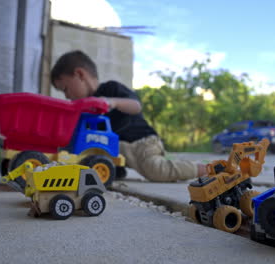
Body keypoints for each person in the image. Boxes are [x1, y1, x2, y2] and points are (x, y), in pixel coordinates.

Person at [50, 50, 206, 182]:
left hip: (142, 143)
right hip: (115, 149)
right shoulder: (84, 108)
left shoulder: (110, 89)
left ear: (80, 74)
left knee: (156, 171)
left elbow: (136, 106)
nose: (67, 96)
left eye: (65, 89)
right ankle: (116, 170)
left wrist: (112, 102)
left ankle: (205, 169)